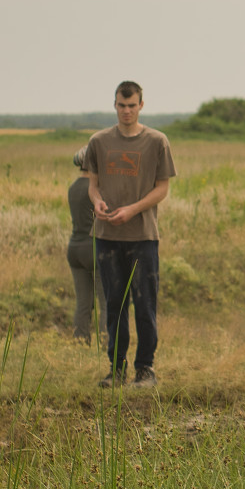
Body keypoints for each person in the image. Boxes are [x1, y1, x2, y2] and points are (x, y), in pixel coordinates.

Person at [84, 81, 177, 388]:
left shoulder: (156, 141)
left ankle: (145, 368)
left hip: (143, 237)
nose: (126, 111)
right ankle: (116, 369)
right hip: (107, 236)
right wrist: (96, 202)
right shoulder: (98, 141)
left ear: (141, 105)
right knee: (114, 304)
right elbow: (92, 184)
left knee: (145, 304)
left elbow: (162, 188)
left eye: (132, 105)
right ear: (114, 105)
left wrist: (134, 209)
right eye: (121, 106)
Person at [65, 148, 99, 343]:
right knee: (105, 300)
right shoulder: (95, 188)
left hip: (74, 247)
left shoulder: (73, 187)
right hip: (93, 247)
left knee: (83, 302)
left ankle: (80, 341)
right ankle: (106, 341)